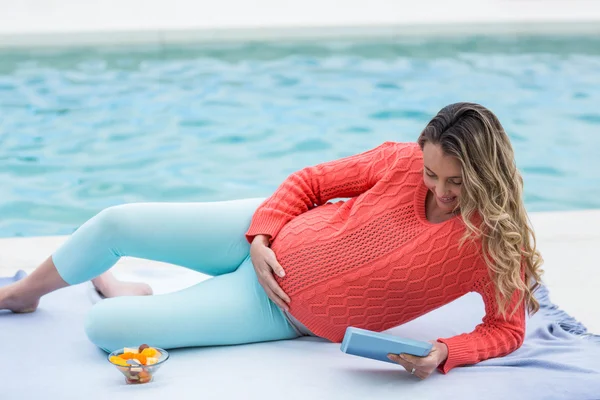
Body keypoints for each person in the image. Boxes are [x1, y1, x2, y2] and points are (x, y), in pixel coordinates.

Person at [0, 102, 543, 380]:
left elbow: (505, 329)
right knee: (115, 222)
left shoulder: (497, 245)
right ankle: (23, 295)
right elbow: (312, 181)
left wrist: (446, 352)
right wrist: (261, 235)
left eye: (457, 181)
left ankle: (128, 295)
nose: (441, 190)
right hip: (259, 234)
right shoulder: (401, 159)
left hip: (276, 308)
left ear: (488, 173)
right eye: (431, 174)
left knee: (104, 330)